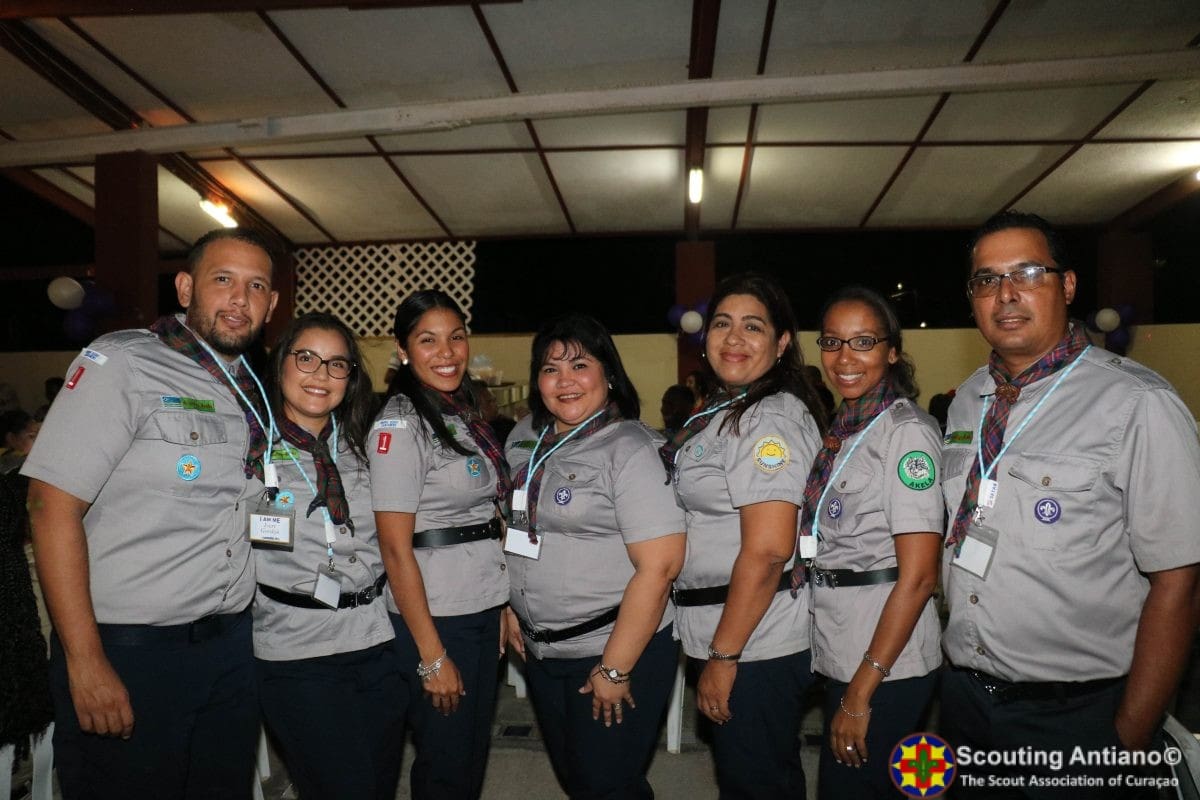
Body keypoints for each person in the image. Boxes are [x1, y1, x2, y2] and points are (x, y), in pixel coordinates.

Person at [940, 211, 1200, 795]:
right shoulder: (967, 400)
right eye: (986, 279)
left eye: (1028, 273)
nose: (1005, 294)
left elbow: (1179, 582)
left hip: (1077, 714)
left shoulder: (1138, 403)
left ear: (1069, 286)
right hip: (965, 703)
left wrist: (1128, 738)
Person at [21, 227, 279, 799]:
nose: (240, 299)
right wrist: (85, 661)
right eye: (223, 280)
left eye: (256, 286)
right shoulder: (124, 363)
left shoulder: (253, 389)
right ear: (185, 288)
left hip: (229, 649)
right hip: (130, 651)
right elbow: (48, 506)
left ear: (272, 303)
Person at [502, 313, 685, 799]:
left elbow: (660, 567)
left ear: (609, 375)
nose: (565, 380)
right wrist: (511, 604)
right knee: (579, 780)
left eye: (579, 365)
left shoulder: (632, 449)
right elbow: (515, 527)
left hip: (610, 648)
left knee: (607, 785)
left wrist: (614, 667)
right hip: (542, 650)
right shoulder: (525, 438)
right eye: (550, 368)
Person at [662, 272, 825, 799]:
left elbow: (770, 549)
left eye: (752, 327)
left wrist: (724, 655)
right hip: (726, 626)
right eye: (722, 324)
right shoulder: (723, 410)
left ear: (781, 343)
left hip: (755, 640)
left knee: (756, 782)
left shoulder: (767, 419)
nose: (734, 338)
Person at [798, 287, 942, 798]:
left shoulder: (905, 434)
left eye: (863, 342)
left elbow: (920, 576)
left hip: (886, 659)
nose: (844, 358)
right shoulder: (843, 427)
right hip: (843, 638)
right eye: (832, 341)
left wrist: (860, 693)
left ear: (892, 351)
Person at [253, 312, 402, 800]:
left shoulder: (366, 445)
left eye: (337, 364)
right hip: (297, 651)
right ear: (281, 364)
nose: (321, 374)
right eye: (306, 359)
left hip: (376, 640)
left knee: (379, 783)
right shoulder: (249, 450)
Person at [369, 290, 509, 799]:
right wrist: (431, 655)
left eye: (456, 338)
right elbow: (394, 548)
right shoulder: (400, 424)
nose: (446, 352)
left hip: (479, 600)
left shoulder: (458, 413)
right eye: (428, 340)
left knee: (468, 752)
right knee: (446, 760)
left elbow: (484, 516)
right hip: (437, 611)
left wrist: (500, 603)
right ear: (403, 351)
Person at [471, 377, 516, 445]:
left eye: (494, 401)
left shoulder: (506, 424)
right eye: (489, 402)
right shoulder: (477, 434)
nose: (496, 406)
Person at [0, 410, 39, 474]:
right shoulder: (13, 462)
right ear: (12, 438)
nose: (38, 441)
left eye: (39, 435)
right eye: (32, 436)